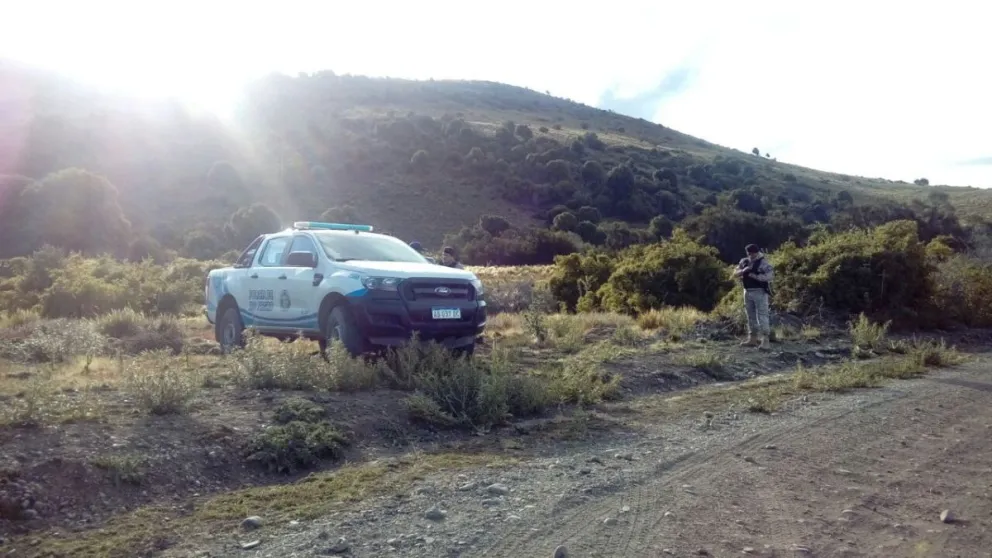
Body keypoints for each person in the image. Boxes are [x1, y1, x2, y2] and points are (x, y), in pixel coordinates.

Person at [733, 244, 774, 349]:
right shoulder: (744, 261)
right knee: (750, 315)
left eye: (752, 253)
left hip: (760, 292)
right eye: (749, 253)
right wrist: (744, 271)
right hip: (747, 291)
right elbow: (735, 273)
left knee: (762, 315)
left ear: (756, 252)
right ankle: (753, 338)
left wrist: (756, 276)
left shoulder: (763, 263)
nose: (751, 255)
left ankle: (765, 340)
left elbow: (770, 276)